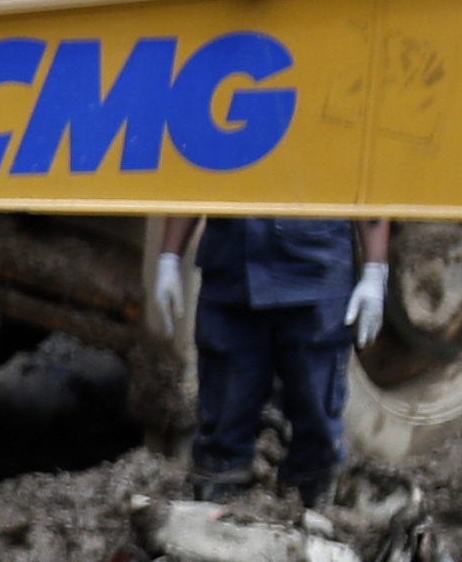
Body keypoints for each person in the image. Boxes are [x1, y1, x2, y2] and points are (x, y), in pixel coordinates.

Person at [156, 214, 391, 502]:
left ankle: (312, 512)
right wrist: (169, 258)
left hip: (315, 275)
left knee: (318, 429)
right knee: (222, 430)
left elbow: (366, 184)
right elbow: (190, 182)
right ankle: (216, 515)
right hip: (232, 276)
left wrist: (375, 269)